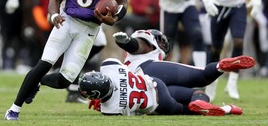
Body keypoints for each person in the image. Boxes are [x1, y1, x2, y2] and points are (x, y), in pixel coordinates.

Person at [5, 0, 128, 121]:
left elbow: (123, 2)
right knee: (44, 63)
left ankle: (38, 83)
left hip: (90, 29)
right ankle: (13, 109)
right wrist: (54, 15)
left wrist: (114, 18)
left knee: (65, 79)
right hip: (68, 20)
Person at [79, 58, 244, 116]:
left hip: (159, 103)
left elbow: (127, 111)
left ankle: (226, 109)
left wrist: (102, 102)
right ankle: (219, 67)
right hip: (155, 81)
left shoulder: (111, 109)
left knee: (188, 110)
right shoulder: (109, 66)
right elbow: (122, 69)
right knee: (199, 88)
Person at [113, 29, 254, 90]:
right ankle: (221, 66)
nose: (164, 45)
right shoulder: (144, 40)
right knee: (202, 76)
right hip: (146, 69)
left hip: (141, 88)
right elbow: (136, 46)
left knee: (194, 96)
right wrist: (125, 42)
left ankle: (224, 109)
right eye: (161, 41)